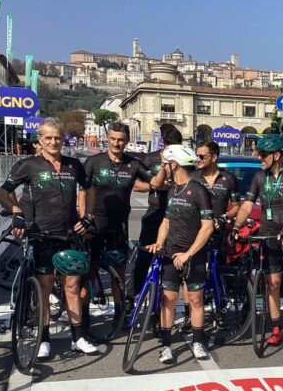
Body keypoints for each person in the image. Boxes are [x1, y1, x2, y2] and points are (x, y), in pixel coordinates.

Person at [0, 118, 98, 359]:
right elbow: (2, 192)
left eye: (57, 137)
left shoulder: (74, 165)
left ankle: (78, 337)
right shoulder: (28, 165)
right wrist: (16, 212)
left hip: (71, 235)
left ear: (63, 139)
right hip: (43, 236)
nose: (53, 142)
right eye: (48, 138)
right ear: (39, 140)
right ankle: (43, 338)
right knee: (44, 288)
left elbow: (89, 189)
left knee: (72, 287)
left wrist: (88, 217)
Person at [233, 134, 283, 352]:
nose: (257, 156)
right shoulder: (260, 176)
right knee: (273, 284)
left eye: (262, 153)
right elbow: (246, 206)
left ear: (277, 155)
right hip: (269, 234)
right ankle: (277, 328)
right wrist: (235, 226)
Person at [146, 146, 214, 363]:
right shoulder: (172, 190)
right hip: (169, 254)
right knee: (169, 300)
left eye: (166, 163)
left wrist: (188, 254)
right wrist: (159, 243)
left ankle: (197, 341)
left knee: (195, 300)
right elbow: (166, 221)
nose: (163, 167)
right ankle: (166, 345)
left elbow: (207, 227)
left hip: (193, 256)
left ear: (174, 164)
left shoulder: (199, 190)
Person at [83, 122, 151, 328]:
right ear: (107, 139)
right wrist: (82, 217)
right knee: (88, 273)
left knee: (119, 272)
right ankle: (84, 319)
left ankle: (120, 316)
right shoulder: (94, 162)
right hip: (94, 224)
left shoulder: (133, 164)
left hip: (119, 226)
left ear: (127, 141)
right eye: (113, 139)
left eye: (120, 140)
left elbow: (154, 181)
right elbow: (81, 191)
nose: (116, 143)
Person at [192, 139, 240, 343]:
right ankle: (190, 314)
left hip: (219, 232)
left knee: (217, 272)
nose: (198, 160)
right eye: (197, 156)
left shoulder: (228, 179)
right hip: (196, 233)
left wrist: (225, 217)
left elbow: (237, 205)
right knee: (193, 274)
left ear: (214, 157)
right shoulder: (193, 178)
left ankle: (220, 310)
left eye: (202, 156)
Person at [132, 125, 182, 297]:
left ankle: (167, 302)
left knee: (172, 263)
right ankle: (133, 297)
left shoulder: (185, 160)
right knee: (143, 258)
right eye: (170, 146)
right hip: (155, 212)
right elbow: (136, 186)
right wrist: (155, 186)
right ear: (164, 144)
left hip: (178, 216)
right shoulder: (150, 159)